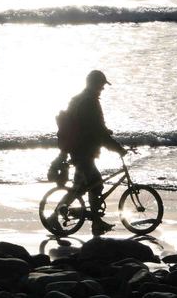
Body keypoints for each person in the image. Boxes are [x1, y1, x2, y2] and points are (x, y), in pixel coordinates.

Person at [56, 70, 127, 235]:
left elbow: (87, 126)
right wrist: (118, 148)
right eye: (101, 84)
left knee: (79, 187)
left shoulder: (78, 99)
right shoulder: (91, 103)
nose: (103, 88)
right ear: (95, 84)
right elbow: (97, 130)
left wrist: (104, 131)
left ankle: (57, 214)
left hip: (76, 149)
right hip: (84, 152)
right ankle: (96, 222)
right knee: (96, 184)